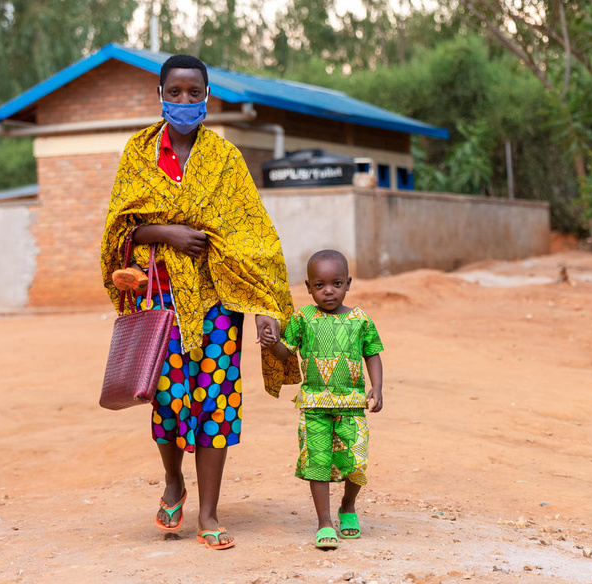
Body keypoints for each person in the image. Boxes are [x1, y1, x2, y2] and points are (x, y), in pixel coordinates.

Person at [99, 54, 300, 550]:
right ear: (161, 94)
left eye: (194, 93)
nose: (184, 101)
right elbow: (119, 228)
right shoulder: (139, 152)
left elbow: (253, 235)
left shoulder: (225, 159)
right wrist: (168, 232)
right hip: (160, 302)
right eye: (175, 92)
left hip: (215, 302)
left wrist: (263, 303)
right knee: (166, 400)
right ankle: (173, 482)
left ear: (208, 97)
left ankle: (209, 512)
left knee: (216, 402)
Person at [260, 249, 384, 550]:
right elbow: (287, 353)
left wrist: (377, 388)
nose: (328, 291)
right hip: (314, 406)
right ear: (308, 287)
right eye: (320, 285)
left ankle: (348, 507)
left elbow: (373, 354)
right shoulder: (302, 318)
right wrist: (272, 343)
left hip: (352, 407)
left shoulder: (360, 319)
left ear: (348, 283)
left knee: (355, 461)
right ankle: (324, 522)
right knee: (318, 461)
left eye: (336, 283)